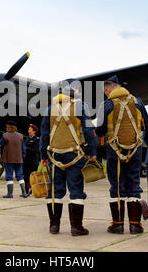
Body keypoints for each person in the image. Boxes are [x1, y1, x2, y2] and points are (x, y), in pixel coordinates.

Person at [96, 75, 148, 234]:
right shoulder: (138, 102)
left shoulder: (106, 104)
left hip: (115, 151)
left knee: (117, 186)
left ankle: (117, 225)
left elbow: (99, 131)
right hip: (135, 150)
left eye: (105, 91)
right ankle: (135, 225)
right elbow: (146, 124)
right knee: (134, 184)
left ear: (108, 89)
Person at [40, 85, 96, 236]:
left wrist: (43, 156)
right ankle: (76, 227)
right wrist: (92, 151)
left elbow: (44, 133)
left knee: (55, 191)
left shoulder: (49, 108)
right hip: (75, 155)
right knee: (76, 190)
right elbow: (88, 130)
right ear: (73, 95)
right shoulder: (80, 106)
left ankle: (54, 226)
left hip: (54, 155)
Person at [0, 121, 27, 198]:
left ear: (8, 127)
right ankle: (24, 192)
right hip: (19, 159)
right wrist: (22, 157)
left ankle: (10, 193)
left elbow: (1, 144)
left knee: (9, 176)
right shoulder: (21, 136)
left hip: (8, 159)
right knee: (20, 176)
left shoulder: (5, 136)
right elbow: (23, 149)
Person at [23, 124, 40, 196]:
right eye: (28, 129)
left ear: (34, 131)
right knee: (26, 176)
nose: (28, 131)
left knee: (33, 177)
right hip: (26, 161)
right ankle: (26, 191)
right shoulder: (27, 138)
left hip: (33, 161)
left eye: (30, 130)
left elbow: (36, 150)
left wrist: (26, 148)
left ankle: (33, 190)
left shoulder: (37, 139)